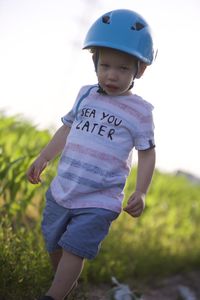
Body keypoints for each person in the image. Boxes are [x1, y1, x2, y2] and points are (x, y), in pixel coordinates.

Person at [27, 9, 156, 300]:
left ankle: (54, 295)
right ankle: (65, 285)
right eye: (105, 65)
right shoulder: (86, 94)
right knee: (54, 244)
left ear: (140, 69)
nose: (112, 74)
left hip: (101, 197)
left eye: (123, 69)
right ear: (94, 61)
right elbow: (66, 129)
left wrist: (142, 191)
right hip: (64, 189)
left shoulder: (140, 111)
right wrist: (44, 157)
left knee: (76, 247)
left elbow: (147, 153)